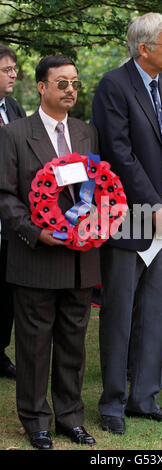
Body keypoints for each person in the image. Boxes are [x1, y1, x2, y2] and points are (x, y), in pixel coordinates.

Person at [92, 12, 162, 434]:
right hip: (130, 215)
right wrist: (154, 204)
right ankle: (113, 403)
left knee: (156, 310)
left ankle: (144, 397)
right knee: (118, 312)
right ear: (143, 48)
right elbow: (118, 153)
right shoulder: (114, 87)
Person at [0, 54, 101, 449]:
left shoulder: (87, 131)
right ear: (41, 87)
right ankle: (36, 420)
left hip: (81, 258)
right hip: (36, 257)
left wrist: (99, 222)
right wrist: (34, 232)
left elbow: (98, 189)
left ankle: (70, 418)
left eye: (75, 83)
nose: (70, 90)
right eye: (62, 83)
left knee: (74, 343)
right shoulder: (14, 134)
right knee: (35, 344)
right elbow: (6, 196)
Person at [0, 44, 26, 380]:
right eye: (6, 69)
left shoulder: (14, 107)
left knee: (6, 286)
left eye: (14, 68)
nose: (13, 74)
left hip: (9, 215)